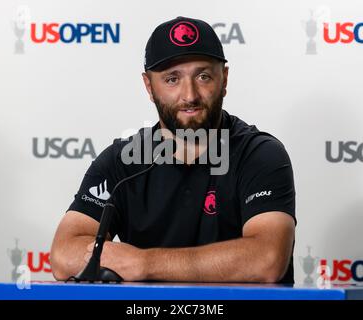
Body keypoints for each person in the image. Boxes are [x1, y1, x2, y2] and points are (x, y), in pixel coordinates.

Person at [50, 16, 296, 283]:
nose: (189, 95)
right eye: (171, 79)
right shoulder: (120, 162)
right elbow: (64, 255)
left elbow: (267, 259)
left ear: (224, 79)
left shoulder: (259, 154)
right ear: (149, 86)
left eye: (203, 76)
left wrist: (145, 263)